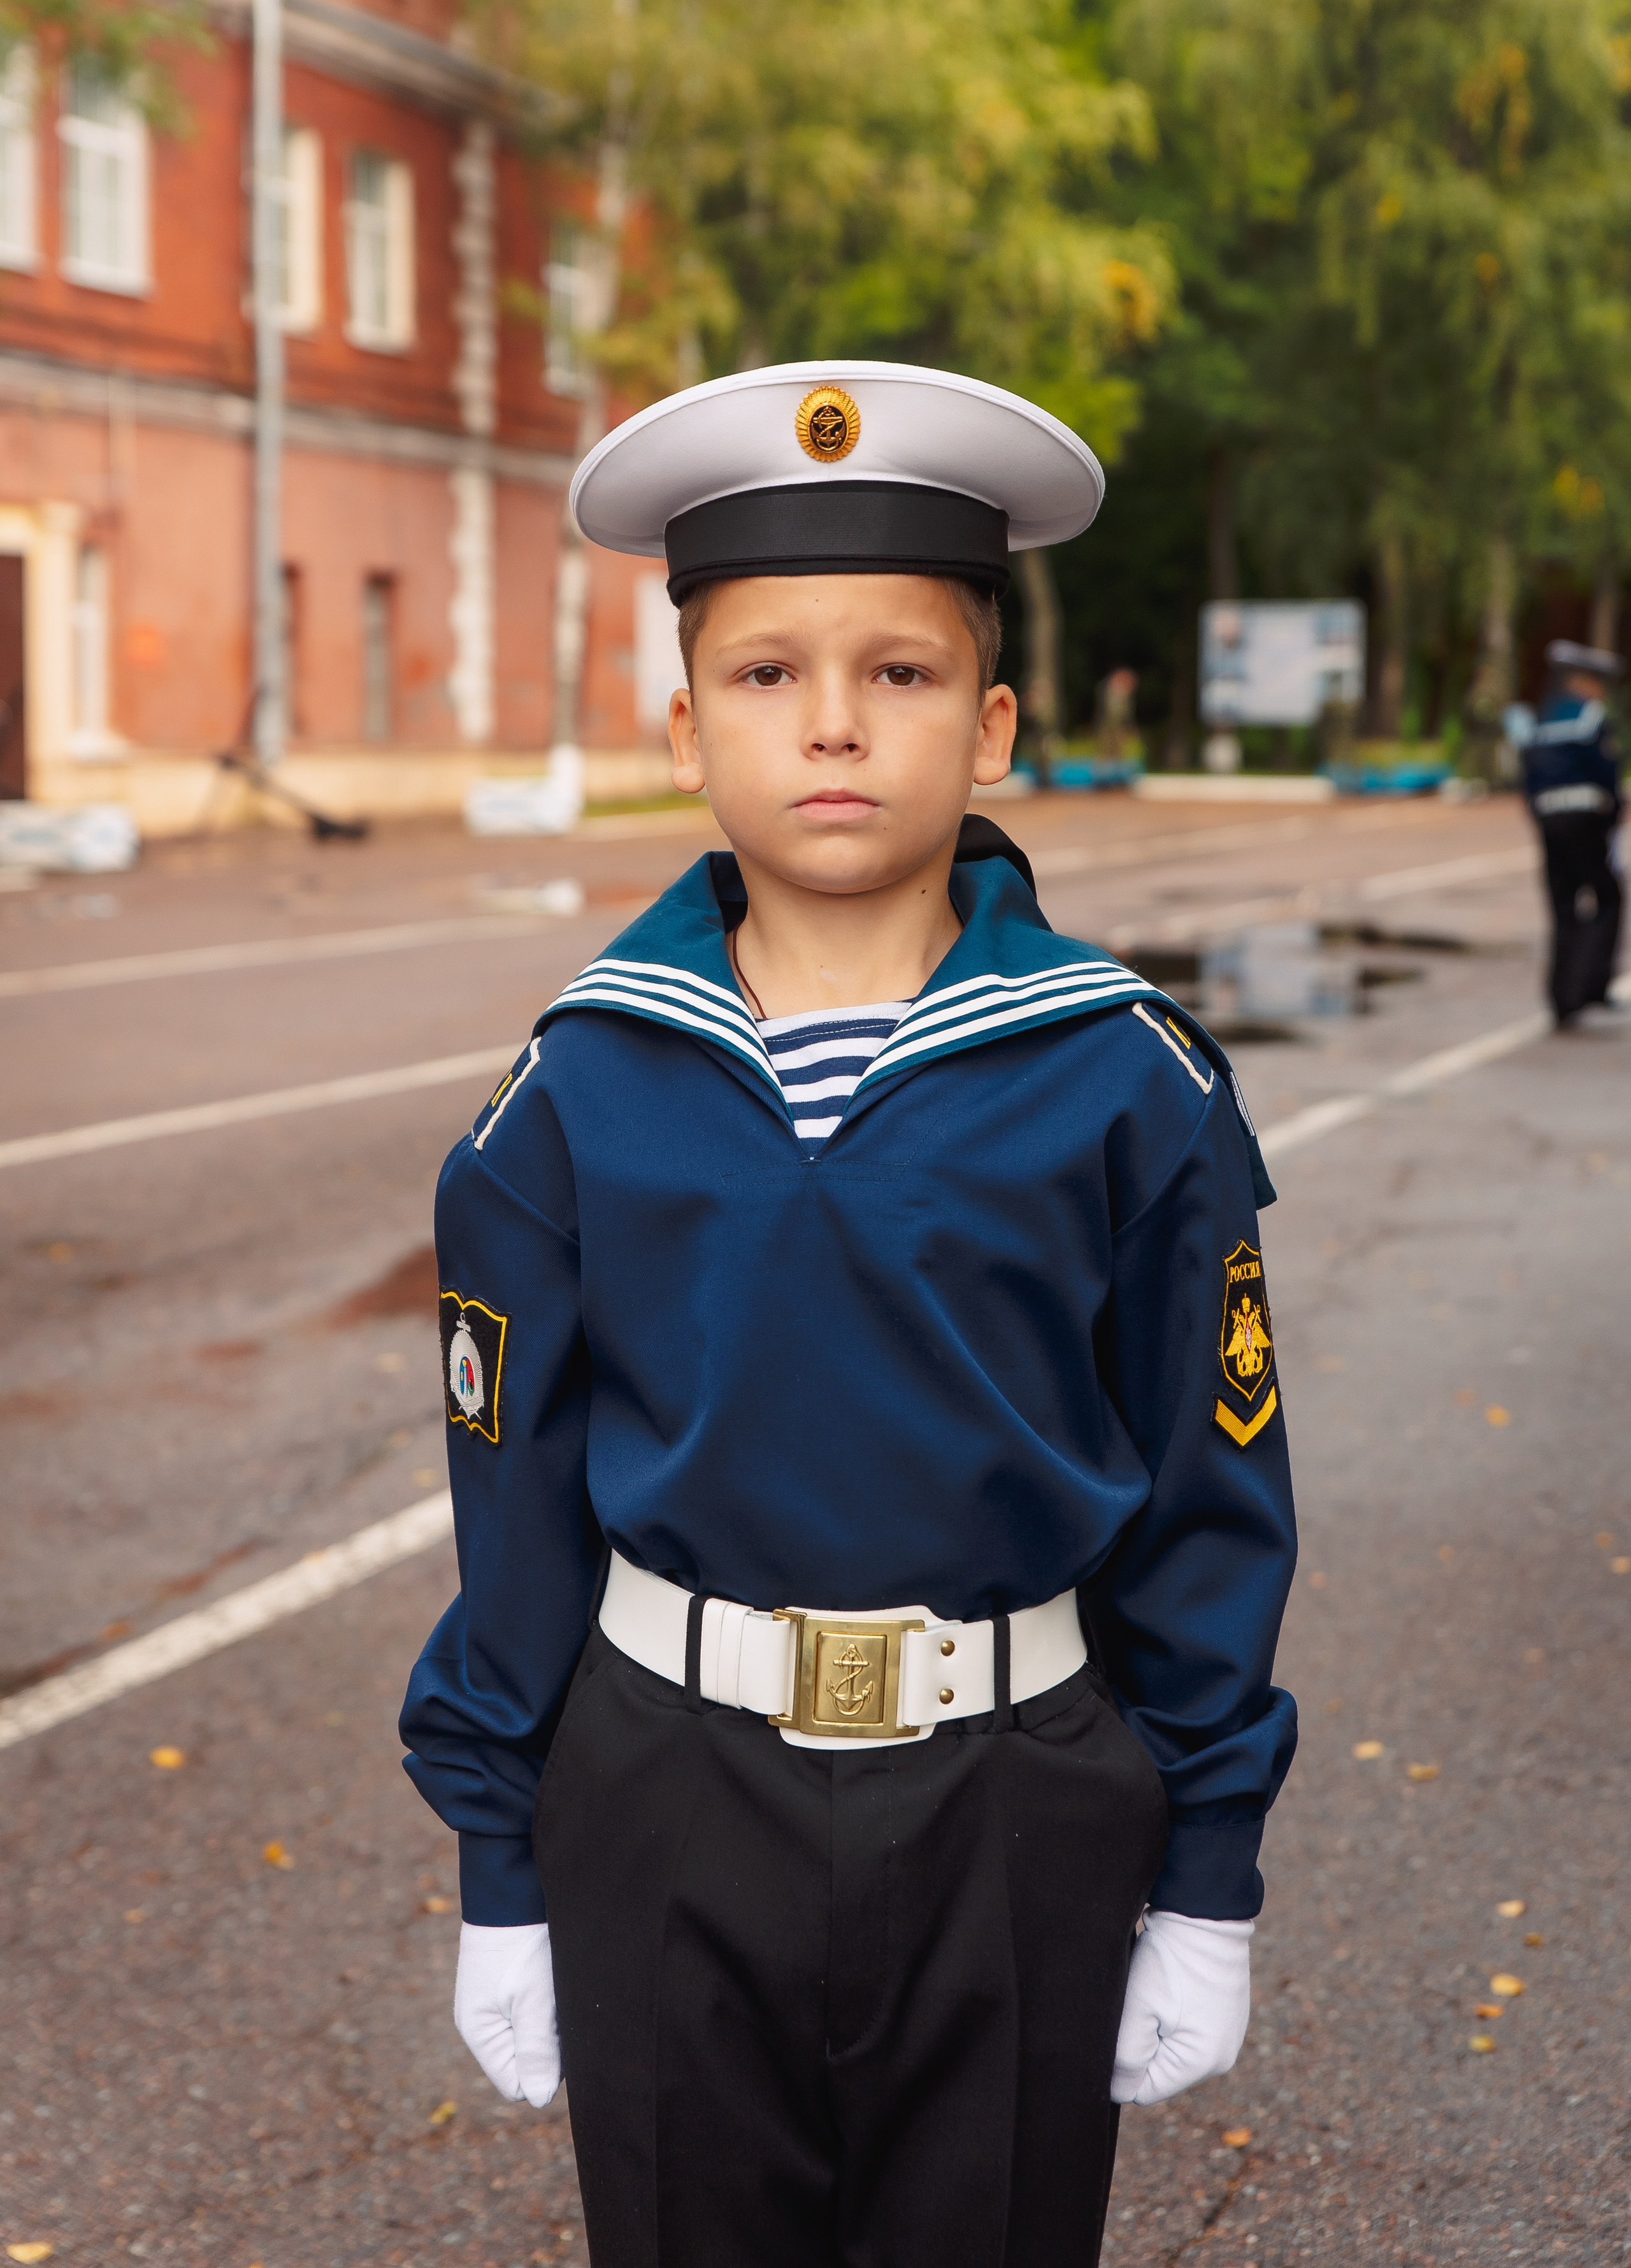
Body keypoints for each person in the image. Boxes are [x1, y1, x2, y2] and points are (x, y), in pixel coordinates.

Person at [400, 361, 1298, 2268]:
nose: (830, 724)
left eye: (895, 673)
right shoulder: (573, 1090)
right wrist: (503, 1858)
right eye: (764, 672)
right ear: (683, 724)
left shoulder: (1126, 1078)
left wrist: (1204, 1864)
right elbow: (515, 1503)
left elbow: (1213, 1488)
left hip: (1015, 1793)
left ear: (987, 729)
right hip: (661, 1785)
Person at [1521, 638, 1624, 1026]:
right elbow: (1606, 772)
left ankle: (1562, 999)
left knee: (1563, 906)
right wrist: (1613, 816)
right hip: (1585, 817)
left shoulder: (1543, 718)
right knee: (1608, 896)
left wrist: (1539, 813)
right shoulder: (1592, 717)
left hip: (1548, 819)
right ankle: (1592, 986)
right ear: (1582, 681)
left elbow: (1528, 775)